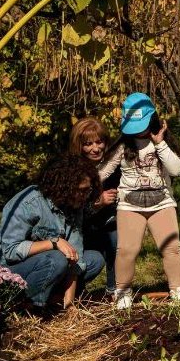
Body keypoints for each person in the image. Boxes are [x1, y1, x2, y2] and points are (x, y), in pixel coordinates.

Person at [99, 92, 180, 310]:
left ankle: (178, 292)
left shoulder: (162, 143)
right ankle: (122, 293)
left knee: (172, 248)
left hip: (162, 203)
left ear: (152, 120)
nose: (138, 130)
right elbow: (102, 172)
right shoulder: (122, 146)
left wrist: (160, 143)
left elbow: (175, 170)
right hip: (130, 205)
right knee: (127, 250)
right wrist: (87, 185)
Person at [0, 155, 104, 310]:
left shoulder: (76, 205)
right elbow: (10, 250)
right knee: (56, 259)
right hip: (7, 269)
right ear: (64, 187)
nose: (85, 196)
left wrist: (69, 306)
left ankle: (56, 299)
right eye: (81, 191)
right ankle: (31, 305)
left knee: (94, 259)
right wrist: (53, 243)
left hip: (46, 264)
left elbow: (76, 257)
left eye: (88, 190)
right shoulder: (30, 202)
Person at [68, 117, 120, 295]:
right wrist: (98, 203)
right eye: (88, 144)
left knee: (116, 238)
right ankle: (73, 289)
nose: (95, 148)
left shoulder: (114, 166)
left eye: (99, 142)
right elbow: (72, 212)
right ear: (79, 145)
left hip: (110, 223)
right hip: (81, 228)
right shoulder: (72, 171)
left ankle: (115, 289)